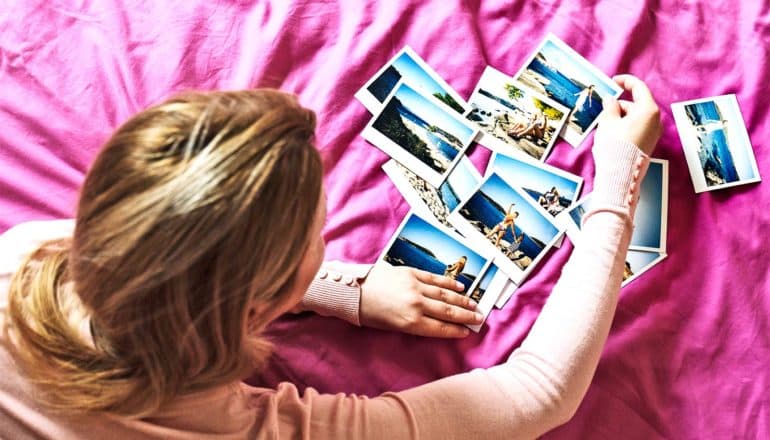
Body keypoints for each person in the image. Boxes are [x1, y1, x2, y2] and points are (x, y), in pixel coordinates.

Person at [0, 73, 662, 439]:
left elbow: (171, 255)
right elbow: (536, 396)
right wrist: (618, 183)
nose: (326, 248)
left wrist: (348, 288)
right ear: (260, 306)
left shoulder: (24, 252)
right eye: (316, 239)